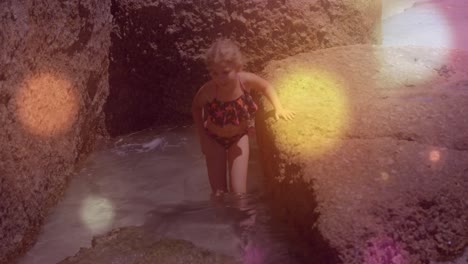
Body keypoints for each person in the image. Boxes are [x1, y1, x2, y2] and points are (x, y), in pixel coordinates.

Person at [192, 38, 295, 197]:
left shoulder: (245, 81)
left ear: (237, 67)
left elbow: (266, 86)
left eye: (225, 72)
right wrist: (203, 138)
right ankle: (221, 220)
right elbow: (196, 107)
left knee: (239, 193)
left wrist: (278, 108)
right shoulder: (209, 90)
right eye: (214, 73)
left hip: (238, 138)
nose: (220, 78)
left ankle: (244, 221)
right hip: (214, 140)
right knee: (218, 193)